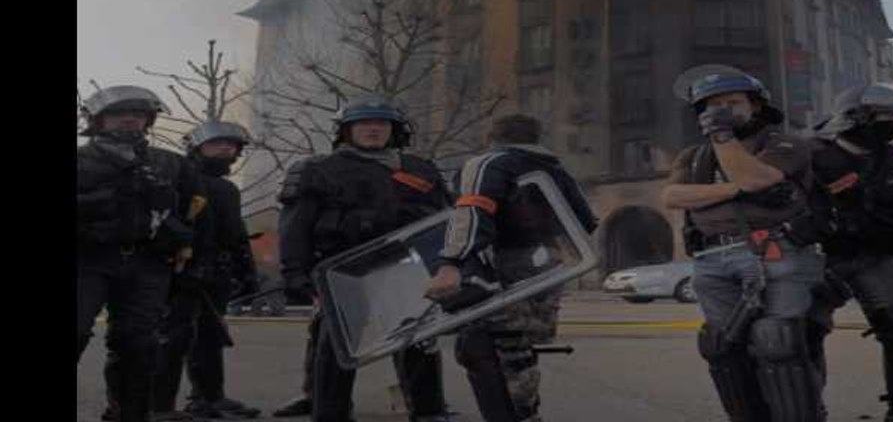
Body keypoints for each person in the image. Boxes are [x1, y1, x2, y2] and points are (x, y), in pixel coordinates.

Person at [661, 67, 828, 422]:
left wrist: (723, 139)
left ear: (755, 105)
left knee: (780, 342)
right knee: (722, 347)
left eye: (732, 102)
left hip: (772, 251)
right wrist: (736, 190)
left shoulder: (784, 143)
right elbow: (673, 196)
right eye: (713, 105)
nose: (722, 110)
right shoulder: (692, 155)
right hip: (709, 258)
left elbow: (754, 175)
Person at [277, 95, 455, 422]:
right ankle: (330, 412)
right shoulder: (317, 169)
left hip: (405, 268)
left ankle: (429, 410)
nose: (373, 129)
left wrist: (451, 264)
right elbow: (295, 227)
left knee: (417, 340)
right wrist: (294, 273)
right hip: (343, 270)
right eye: (364, 123)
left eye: (382, 123)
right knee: (337, 346)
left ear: (396, 131)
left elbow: (448, 219)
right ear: (345, 131)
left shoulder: (421, 169)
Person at [425, 114, 598, 422]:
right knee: (519, 354)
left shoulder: (487, 163)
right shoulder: (554, 168)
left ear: (491, 137)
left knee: (483, 348)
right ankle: (527, 414)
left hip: (500, 268)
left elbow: (473, 212)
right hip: (547, 270)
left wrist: (450, 262)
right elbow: (585, 221)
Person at [78, 86, 200, 422]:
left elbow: (197, 213)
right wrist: (103, 201)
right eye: (120, 113)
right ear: (98, 120)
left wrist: (186, 248)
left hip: (148, 264)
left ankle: (127, 414)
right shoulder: (80, 161)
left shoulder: (171, 164)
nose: (131, 119)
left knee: (139, 345)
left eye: (139, 113)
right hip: (88, 261)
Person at [809, 84, 893, 422]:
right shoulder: (812, 154)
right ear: (855, 118)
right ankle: (808, 407)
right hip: (825, 257)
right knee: (805, 331)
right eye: (886, 116)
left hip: (879, 254)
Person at [150, 120, 262, 420]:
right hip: (181, 270)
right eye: (217, 143)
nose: (226, 148)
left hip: (216, 272)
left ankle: (210, 399)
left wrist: (247, 270)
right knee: (174, 337)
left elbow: (236, 233)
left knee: (211, 335)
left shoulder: (228, 189)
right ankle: (159, 406)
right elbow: (164, 223)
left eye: (231, 144)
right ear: (197, 147)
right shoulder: (178, 179)